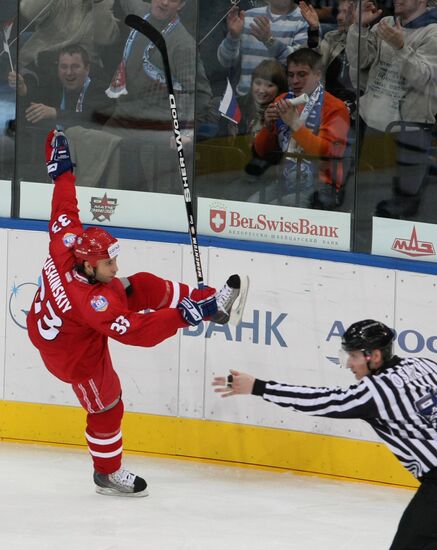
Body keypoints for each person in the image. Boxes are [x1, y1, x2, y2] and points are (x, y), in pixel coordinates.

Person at [26, 128, 245, 497]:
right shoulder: (93, 304)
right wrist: (183, 316)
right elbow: (137, 331)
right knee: (108, 405)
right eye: (108, 262)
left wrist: (62, 168)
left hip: (65, 322)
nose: (114, 265)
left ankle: (208, 304)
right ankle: (107, 473)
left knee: (137, 283)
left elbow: (64, 207)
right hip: (72, 354)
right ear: (89, 266)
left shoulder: (67, 245)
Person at [213, 319, 437, 549]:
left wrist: (259, 387)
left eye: (354, 356)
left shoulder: (376, 391)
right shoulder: (424, 365)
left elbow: (323, 401)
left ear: (375, 356)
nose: (349, 363)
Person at [103, 0, 212, 192]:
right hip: (123, 118)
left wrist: (185, 131)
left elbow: (201, 94)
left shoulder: (183, 45)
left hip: (156, 128)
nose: (164, 2)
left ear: (181, 5)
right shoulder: (140, 20)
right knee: (92, 147)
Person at [346, 0, 437, 220]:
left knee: (400, 207)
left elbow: (423, 79)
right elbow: (359, 61)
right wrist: (359, 27)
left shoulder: (433, 32)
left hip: (409, 129)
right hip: (369, 121)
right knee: (362, 196)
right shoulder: (386, 23)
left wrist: (400, 47)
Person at [252, 48, 350, 209]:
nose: (295, 81)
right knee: (251, 206)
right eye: (291, 75)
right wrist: (268, 126)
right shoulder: (283, 100)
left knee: (277, 211)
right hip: (286, 180)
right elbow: (263, 152)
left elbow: (326, 153)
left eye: (302, 74)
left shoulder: (335, 108)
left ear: (318, 75)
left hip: (321, 186)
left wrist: (295, 124)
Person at [217, 0, 309, 97]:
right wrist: (232, 37)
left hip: (282, 103)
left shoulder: (305, 20)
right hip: (246, 100)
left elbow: (299, 65)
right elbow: (226, 62)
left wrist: (269, 41)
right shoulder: (248, 16)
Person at [301, 0, 356, 114]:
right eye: (339, 12)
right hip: (327, 106)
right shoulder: (332, 37)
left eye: (346, 13)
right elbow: (314, 59)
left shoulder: (372, 41)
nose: (339, 17)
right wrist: (314, 30)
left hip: (356, 110)